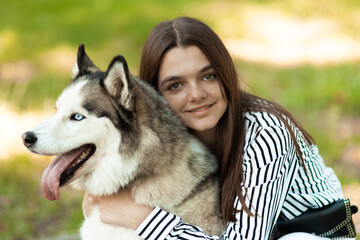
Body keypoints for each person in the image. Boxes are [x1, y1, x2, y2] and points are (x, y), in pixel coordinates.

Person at [82, 17, 353, 239]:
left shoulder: (267, 134)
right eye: (175, 85)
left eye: (208, 76)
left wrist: (141, 218)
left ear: (225, 74)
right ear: (153, 96)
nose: (197, 94)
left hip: (308, 232)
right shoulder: (161, 138)